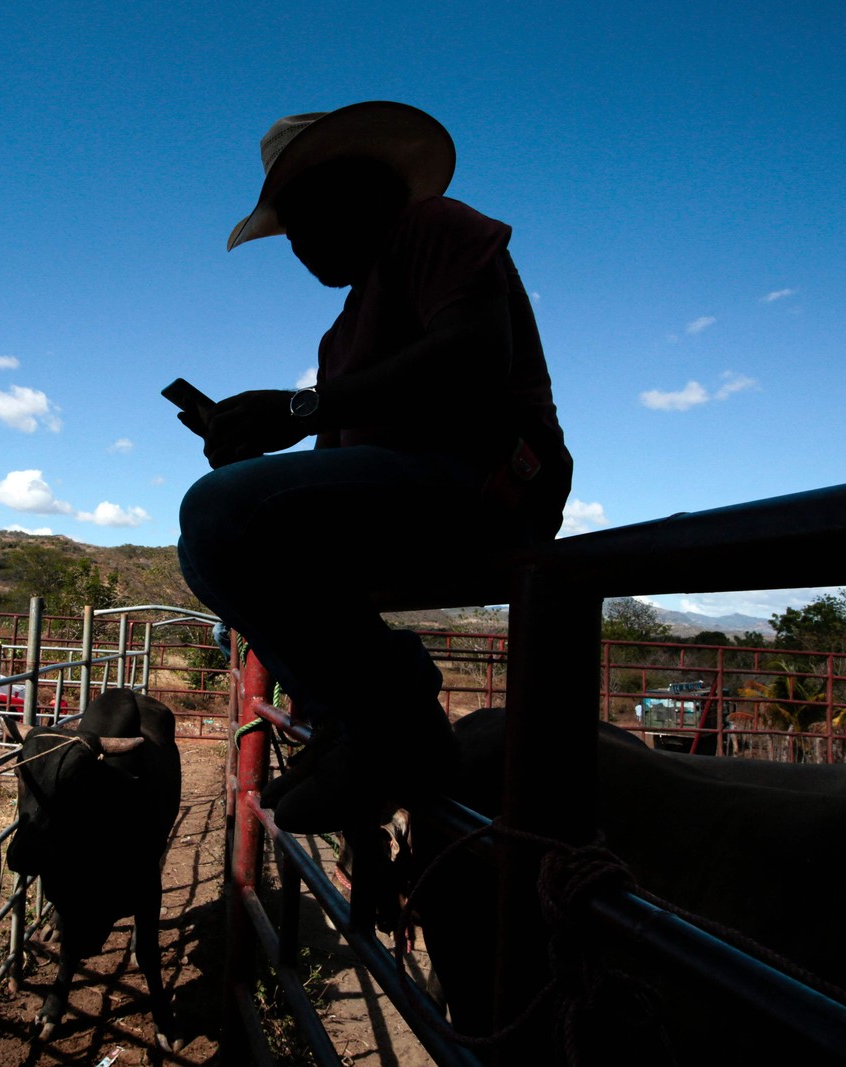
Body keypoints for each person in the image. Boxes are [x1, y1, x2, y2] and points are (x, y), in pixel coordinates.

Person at [176, 102, 571, 832]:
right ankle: (360, 724)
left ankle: (391, 727)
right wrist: (261, 462)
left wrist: (293, 415)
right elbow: (340, 466)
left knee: (213, 515)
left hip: (492, 478)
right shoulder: (341, 334)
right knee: (219, 525)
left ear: (358, 190)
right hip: (419, 499)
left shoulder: (435, 228)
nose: (295, 246)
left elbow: (477, 357)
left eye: (303, 218)